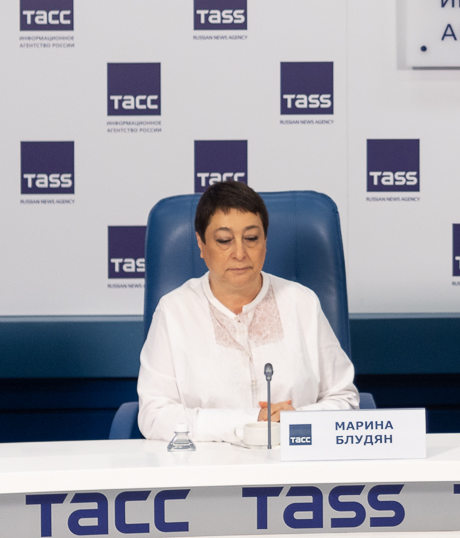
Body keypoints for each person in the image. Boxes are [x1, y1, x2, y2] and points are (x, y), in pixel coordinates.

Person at [137, 181, 358, 443]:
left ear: (265, 241)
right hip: (207, 463)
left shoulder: (302, 302)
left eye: (251, 238)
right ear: (201, 244)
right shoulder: (175, 311)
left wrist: (297, 420)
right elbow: (154, 415)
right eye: (224, 241)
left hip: (295, 456)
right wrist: (251, 422)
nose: (240, 253)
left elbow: (344, 398)